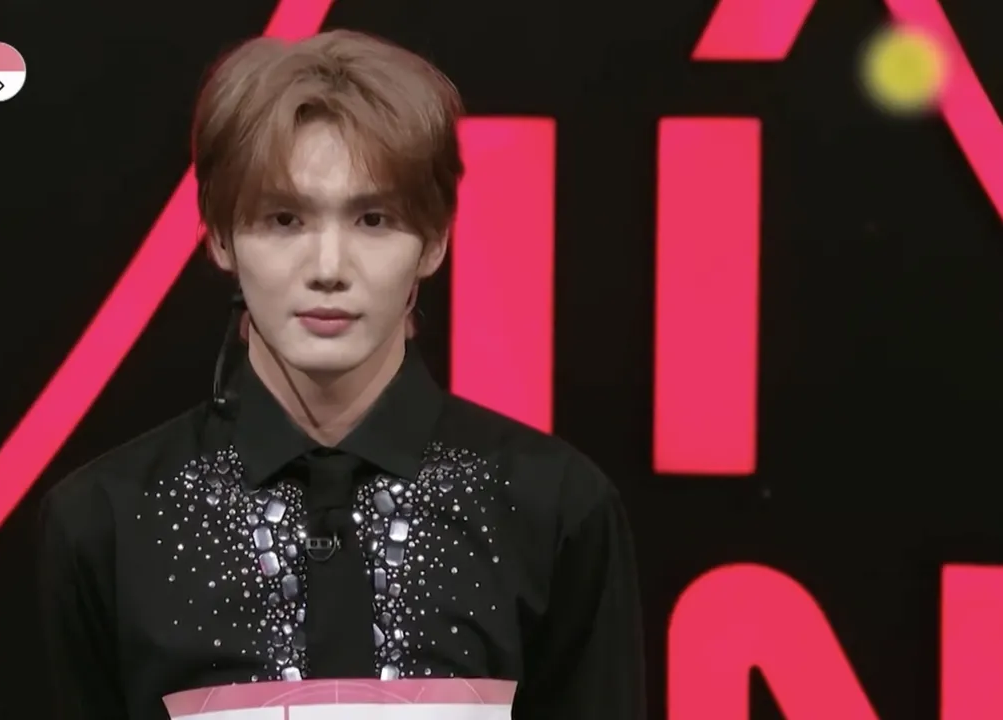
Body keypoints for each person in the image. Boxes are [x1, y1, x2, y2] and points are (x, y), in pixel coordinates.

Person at [38, 29, 646, 719]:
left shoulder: (554, 510)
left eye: (373, 219)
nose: (328, 267)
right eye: (284, 219)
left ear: (434, 241)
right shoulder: (107, 524)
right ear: (220, 236)